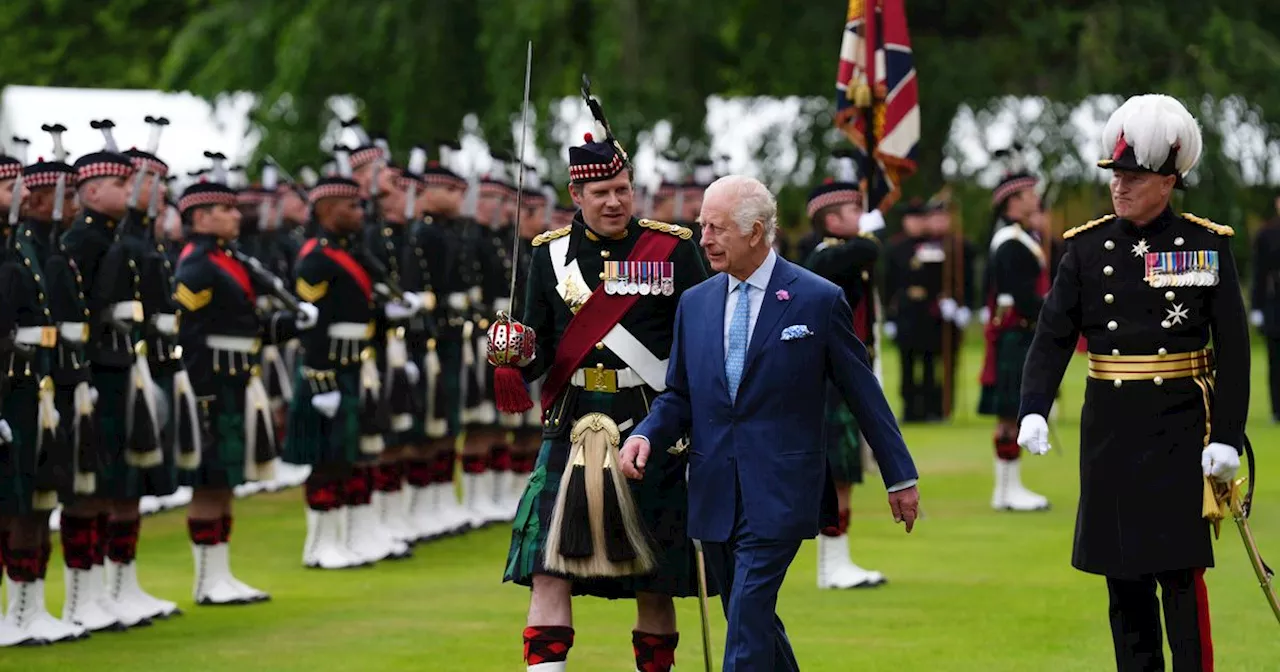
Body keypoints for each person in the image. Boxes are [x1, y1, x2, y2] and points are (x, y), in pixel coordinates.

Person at [620, 174, 918, 671]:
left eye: (716, 228)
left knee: (748, 618)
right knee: (751, 617)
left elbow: (864, 394)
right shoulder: (695, 303)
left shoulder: (816, 299)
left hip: (782, 491)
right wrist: (647, 434)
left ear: (756, 232)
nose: (704, 239)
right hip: (714, 489)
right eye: (701, 226)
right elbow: (679, 395)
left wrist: (900, 476)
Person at [1017, 94, 1247, 672]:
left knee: (1178, 575)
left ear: (1168, 181)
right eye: (1115, 174)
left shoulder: (1205, 244)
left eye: (1135, 176)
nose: (1120, 186)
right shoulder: (1087, 249)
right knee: (1122, 578)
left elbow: (1235, 350)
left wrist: (1227, 435)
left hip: (1179, 428)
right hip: (1111, 432)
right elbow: (1052, 336)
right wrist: (1034, 408)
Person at [499, 98, 709, 672]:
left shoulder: (673, 248)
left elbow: (697, 343)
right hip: (570, 424)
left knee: (657, 578)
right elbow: (536, 346)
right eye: (602, 193)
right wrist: (511, 358)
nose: (615, 201)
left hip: (650, 422)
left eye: (623, 189)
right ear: (577, 196)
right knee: (547, 570)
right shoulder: (548, 258)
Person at [174, 175, 317, 603]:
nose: (237, 215)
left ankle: (221, 573)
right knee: (209, 480)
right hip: (211, 386)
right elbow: (194, 334)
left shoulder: (230, 259)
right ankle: (206, 580)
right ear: (201, 217)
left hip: (236, 380)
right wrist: (198, 397)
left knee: (225, 481)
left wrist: (290, 325)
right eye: (226, 210)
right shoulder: (197, 266)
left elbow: (246, 327)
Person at [61, 123, 173, 629]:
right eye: (122, 186)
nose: (131, 194)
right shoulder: (80, 240)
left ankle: (119, 587)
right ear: (91, 191)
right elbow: (87, 307)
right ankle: (81, 597)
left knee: (125, 482)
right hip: (96, 372)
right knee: (94, 486)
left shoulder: (120, 237)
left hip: (128, 367)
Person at [0, 148, 84, 645]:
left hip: (32, 388)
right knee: (8, 506)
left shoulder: (22, 248)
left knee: (33, 501)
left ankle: (26, 609)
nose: (24, 194)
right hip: (9, 392)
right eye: (12, 186)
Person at [803, 166, 888, 589]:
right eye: (854, 209)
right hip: (831, 377)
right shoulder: (825, 255)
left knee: (846, 469)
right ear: (832, 220)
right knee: (838, 468)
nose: (862, 213)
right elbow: (864, 253)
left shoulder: (845, 250)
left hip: (849, 374)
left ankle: (837, 561)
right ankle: (831, 566)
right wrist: (871, 235)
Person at [977, 154, 1051, 512]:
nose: (1035, 200)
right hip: (1014, 335)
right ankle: (1006, 490)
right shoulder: (1009, 242)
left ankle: (1009, 487)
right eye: (1028, 194)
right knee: (1010, 414)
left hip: (1020, 334)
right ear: (1011, 202)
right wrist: (1054, 310)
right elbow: (1021, 296)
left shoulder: (1021, 238)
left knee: (1011, 413)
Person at [884, 199, 944, 422]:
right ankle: (910, 410)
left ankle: (931, 409)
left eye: (920, 219)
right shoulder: (895, 248)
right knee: (907, 363)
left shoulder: (935, 246)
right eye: (912, 219)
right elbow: (887, 283)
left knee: (929, 362)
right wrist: (890, 317)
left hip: (928, 312)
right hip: (906, 312)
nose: (916, 223)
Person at [1250, 191, 1280, 422]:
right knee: (1275, 360)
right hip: (1275, 304)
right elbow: (1259, 273)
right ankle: (1277, 409)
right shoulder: (1267, 234)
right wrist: (1256, 307)